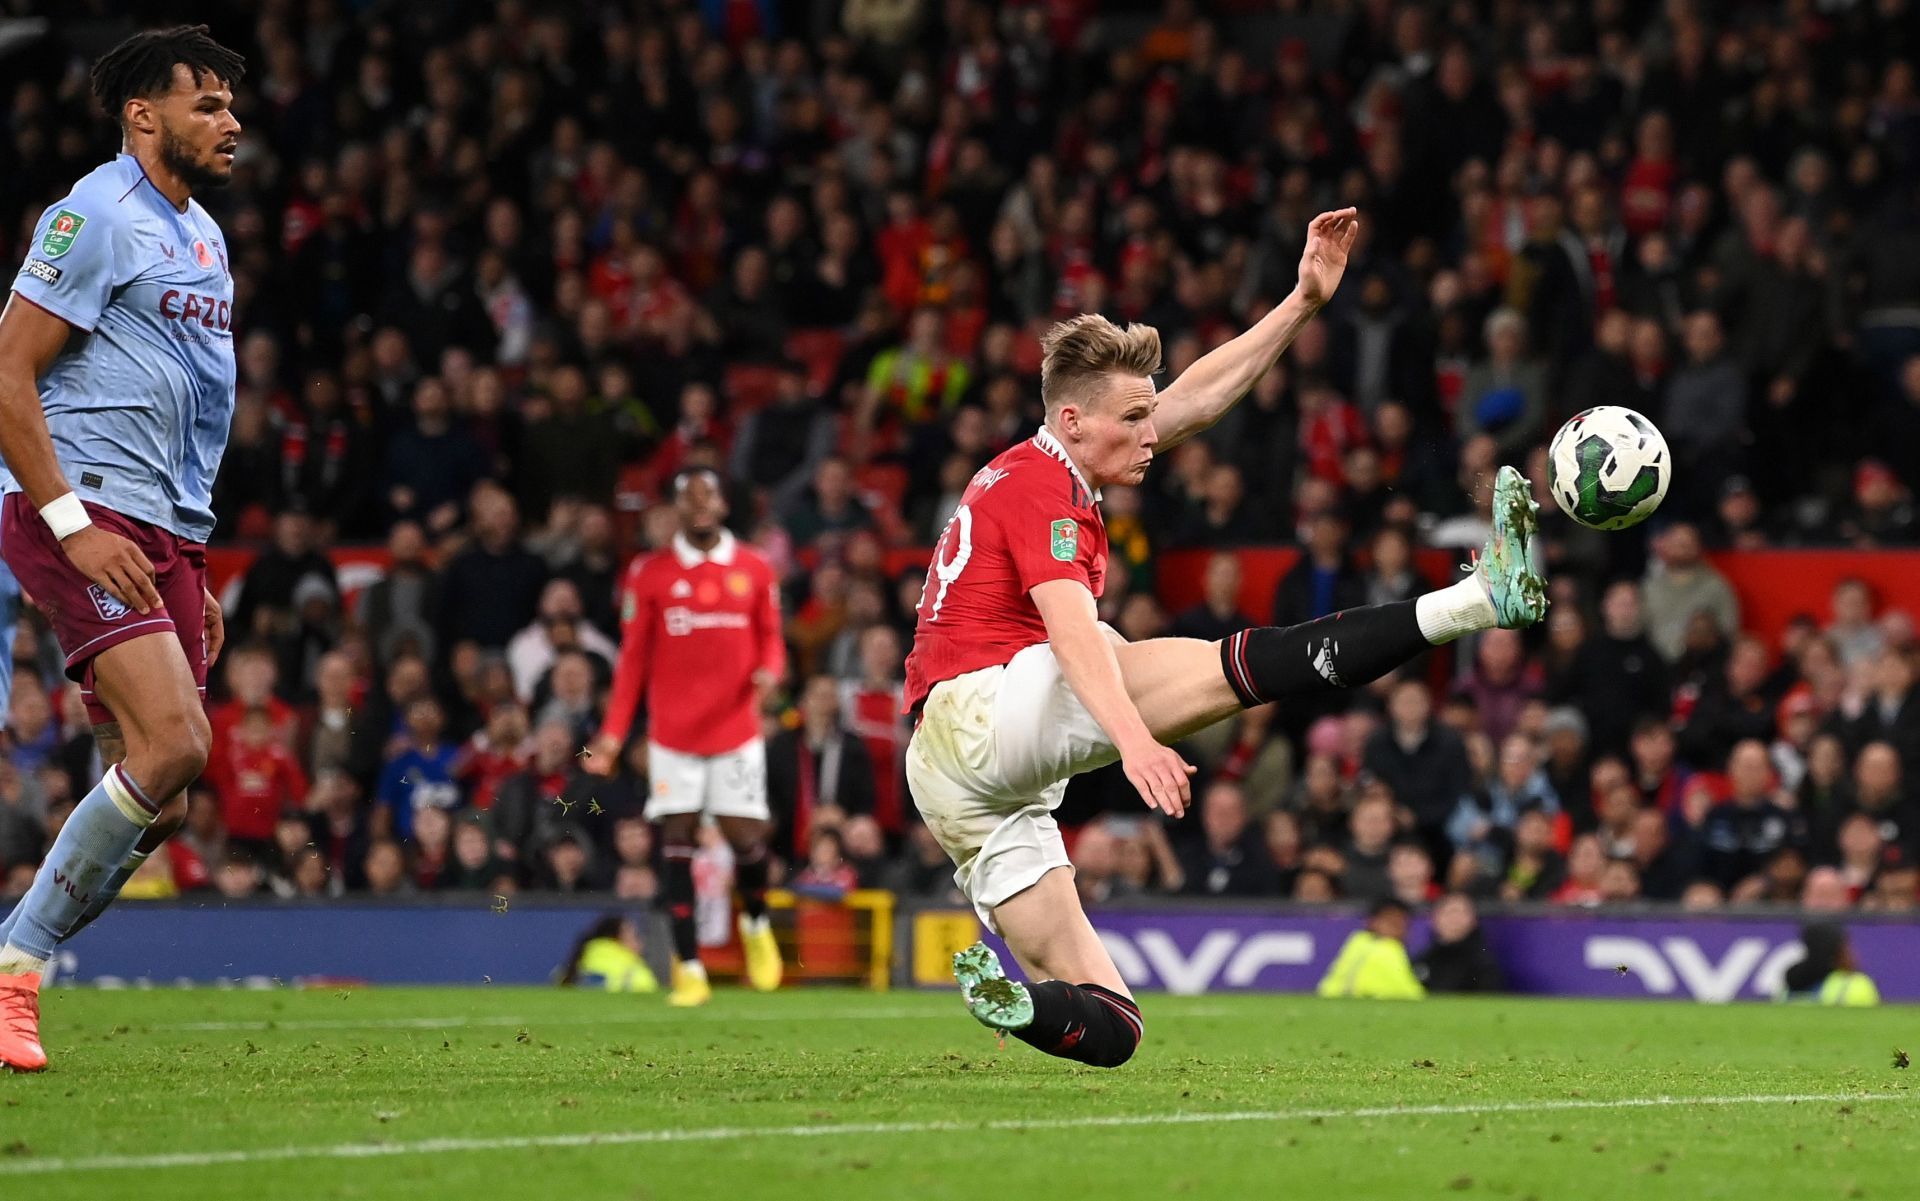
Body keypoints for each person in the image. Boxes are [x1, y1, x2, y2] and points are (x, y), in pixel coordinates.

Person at [910, 209, 1548, 1068]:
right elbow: (1068, 632)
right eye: (1133, 419)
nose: (1152, 434)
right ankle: (1478, 599)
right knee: (1228, 665)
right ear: (1070, 419)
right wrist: (1134, 742)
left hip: (957, 781)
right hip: (980, 710)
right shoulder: (1038, 489)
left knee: (1113, 1024)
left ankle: (1018, 1002)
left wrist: (1302, 301)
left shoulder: (1052, 461)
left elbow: (1198, 400)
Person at [0, 26, 245, 1072]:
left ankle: (18, 955)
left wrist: (197, 558)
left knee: (165, 786)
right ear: (144, 115)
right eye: (207, 105)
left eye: (231, 105)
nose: (230, 122)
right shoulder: (93, 213)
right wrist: (71, 525)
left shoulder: (206, 238)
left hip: (163, 528)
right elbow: (8, 374)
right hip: (85, 508)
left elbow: (190, 404)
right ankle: (16, 962)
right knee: (177, 744)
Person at [584, 469, 786, 1007]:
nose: (700, 505)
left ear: (723, 503)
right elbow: (631, 662)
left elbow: (773, 642)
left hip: (735, 729)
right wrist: (611, 736)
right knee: (675, 843)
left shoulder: (755, 567)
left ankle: (758, 925)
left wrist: (768, 675)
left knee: (744, 838)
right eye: (688, 497)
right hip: (673, 735)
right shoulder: (649, 573)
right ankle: (689, 968)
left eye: (709, 495)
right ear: (676, 507)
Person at [1317, 898, 1428, 1000]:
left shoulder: (1357, 940)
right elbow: (1410, 993)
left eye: (1401, 923)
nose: (1397, 928)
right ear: (1373, 922)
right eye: (1391, 922)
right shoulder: (1388, 948)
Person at [1415, 892, 1504, 992]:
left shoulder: (1483, 964)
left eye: (1461, 913)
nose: (1454, 919)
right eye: (1448, 912)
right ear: (1434, 919)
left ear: (1474, 921)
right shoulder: (1423, 959)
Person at [1777, 922, 1879, 1006]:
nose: (1852, 954)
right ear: (1835, 952)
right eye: (1845, 947)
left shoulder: (1787, 990)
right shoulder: (1857, 984)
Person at [557, 914, 659, 993]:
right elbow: (648, 987)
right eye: (635, 936)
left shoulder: (578, 963)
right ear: (617, 940)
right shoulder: (634, 970)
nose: (640, 942)